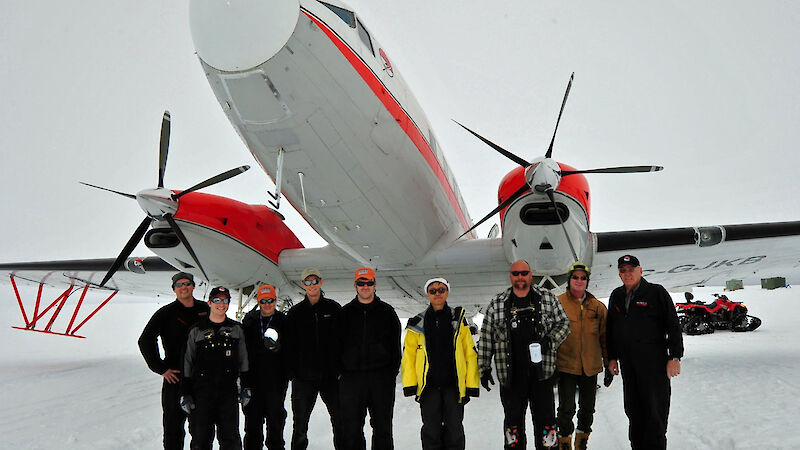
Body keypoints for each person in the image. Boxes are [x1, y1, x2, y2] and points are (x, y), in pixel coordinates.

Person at [478, 260, 570, 450]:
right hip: (511, 378)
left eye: (524, 273)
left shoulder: (547, 298)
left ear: (530, 275)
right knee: (513, 428)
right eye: (516, 273)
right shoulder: (497, 303)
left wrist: (550, 341)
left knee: (547, 426)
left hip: (542, 376)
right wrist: (484, 368)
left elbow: (564, 323)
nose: (520, 277)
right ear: (511, 276)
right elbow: (486, 337)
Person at [606, 255, 683, 450]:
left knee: (654, 412)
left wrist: (674, 357)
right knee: (633, 411)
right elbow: (611, 329)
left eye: (631, 269)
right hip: (629, 365)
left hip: (653, 364)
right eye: (623, 270)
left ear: (641, 270)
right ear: (619, 274)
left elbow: (673, 326)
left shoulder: (656, 293)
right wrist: (612, 357)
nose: (627, 273)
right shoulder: (616, 296)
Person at [401, 277, 480, 450]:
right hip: (429, 388)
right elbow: (408, 356)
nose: (437, 294)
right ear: (428, 294)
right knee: (431, 431)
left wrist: (472, 384)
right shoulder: (417, 323)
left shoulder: (458, 320)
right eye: (433, 291)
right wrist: (410, 384)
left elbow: (470, 353)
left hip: (453, 386)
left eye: (441, 290)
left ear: (447, 293)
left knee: (455, 430)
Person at [138, 272, 209, 450]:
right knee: (173, 427)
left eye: (187, 283)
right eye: (179, 285)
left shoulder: (206, 310)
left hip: (200, 378)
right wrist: (160, 368)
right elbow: (145, 340)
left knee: (201, 428)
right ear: (174, 289)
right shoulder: (165, 313)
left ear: (193, 286)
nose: (183, 287)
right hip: (175, 377)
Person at [337, 267, 401, 450]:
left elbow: (395, 347)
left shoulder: (387, 312)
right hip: (351, 380)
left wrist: (389, 375)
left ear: (375, 285)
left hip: (380, 380)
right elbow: (335, 346)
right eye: (361, 283)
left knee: (383, 429)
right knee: (351, 430)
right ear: (355, 285)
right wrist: (340, 373)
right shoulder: (345, 313)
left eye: (369, 282)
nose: (365, 286)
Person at [181, 286, 251, 450]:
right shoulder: (196, 330)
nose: (221, 304)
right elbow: (187, 362)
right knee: (201, 440)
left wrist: (246, 386)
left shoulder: (236, 329)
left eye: (225, 300)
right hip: (202, 395)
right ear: (209, 303)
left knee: (231, 440)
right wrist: (185, 392)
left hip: (228, 394)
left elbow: (244, 359)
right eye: (217, 300)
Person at [284, 268, 343, 449]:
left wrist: (340, 369)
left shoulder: (333, 308)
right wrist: (293, 373)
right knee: (300, 424)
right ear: (303, 285)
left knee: (340, 421)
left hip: (331, 377)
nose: (312, 285)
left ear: (321, 282)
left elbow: (343, 340)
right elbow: (288, 345)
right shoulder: (295, 313)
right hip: (303, 378)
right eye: (307, 282)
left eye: (315, 281)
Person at [555, 262, 608, 450]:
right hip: (566, 365)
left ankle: (581, 444)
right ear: (569, 280)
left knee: (587, 409)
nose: (579, 281)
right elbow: (550, 335)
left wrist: (609, 364)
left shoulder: (598, 307)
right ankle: (564, 444)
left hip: (590, 366)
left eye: (583, 278)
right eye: (575, 277)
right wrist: (550, 366)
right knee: (566, 409)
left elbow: (605, 338)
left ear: (587, 281)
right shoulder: (558, 303)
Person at [241, 284, 289, 450]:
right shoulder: (250, 321)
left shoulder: (284, 321)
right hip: (253, 380)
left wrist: (279, 348)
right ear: (258, 301)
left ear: (276, 300)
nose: (267, 304)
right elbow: (243, 349)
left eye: (271, 300)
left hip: (276, 381)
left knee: (276, 423)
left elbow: (292, 348)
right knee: (253, 425)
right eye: (263, 301)